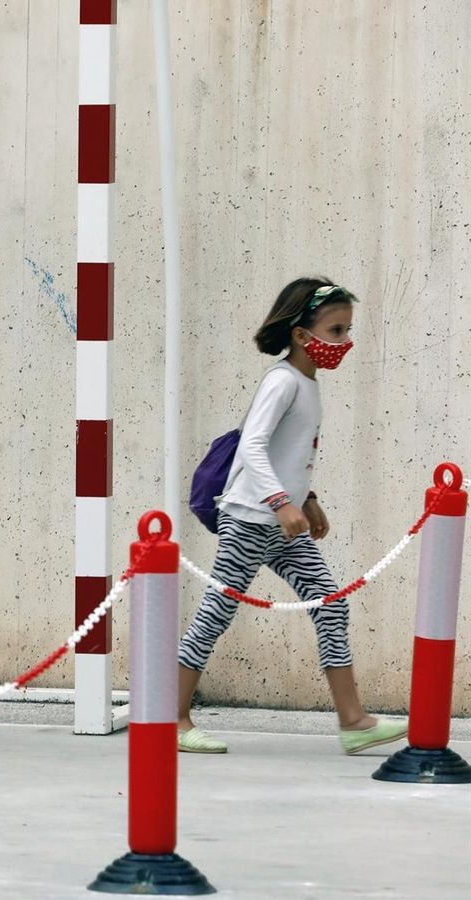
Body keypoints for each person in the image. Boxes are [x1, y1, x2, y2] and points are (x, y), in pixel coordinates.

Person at [176, 277, 407, 755]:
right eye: (337, 330)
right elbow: (254, 445)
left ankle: (354, 721)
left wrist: (308, 498)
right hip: (250, 520)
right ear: (303, 336)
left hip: (283, 523)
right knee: (215, 615)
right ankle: (170, 719)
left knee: (329, 603)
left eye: (346, 330)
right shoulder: (283, 382)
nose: (345, 342)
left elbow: (289, 453)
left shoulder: (305, 383)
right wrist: (283, 503)